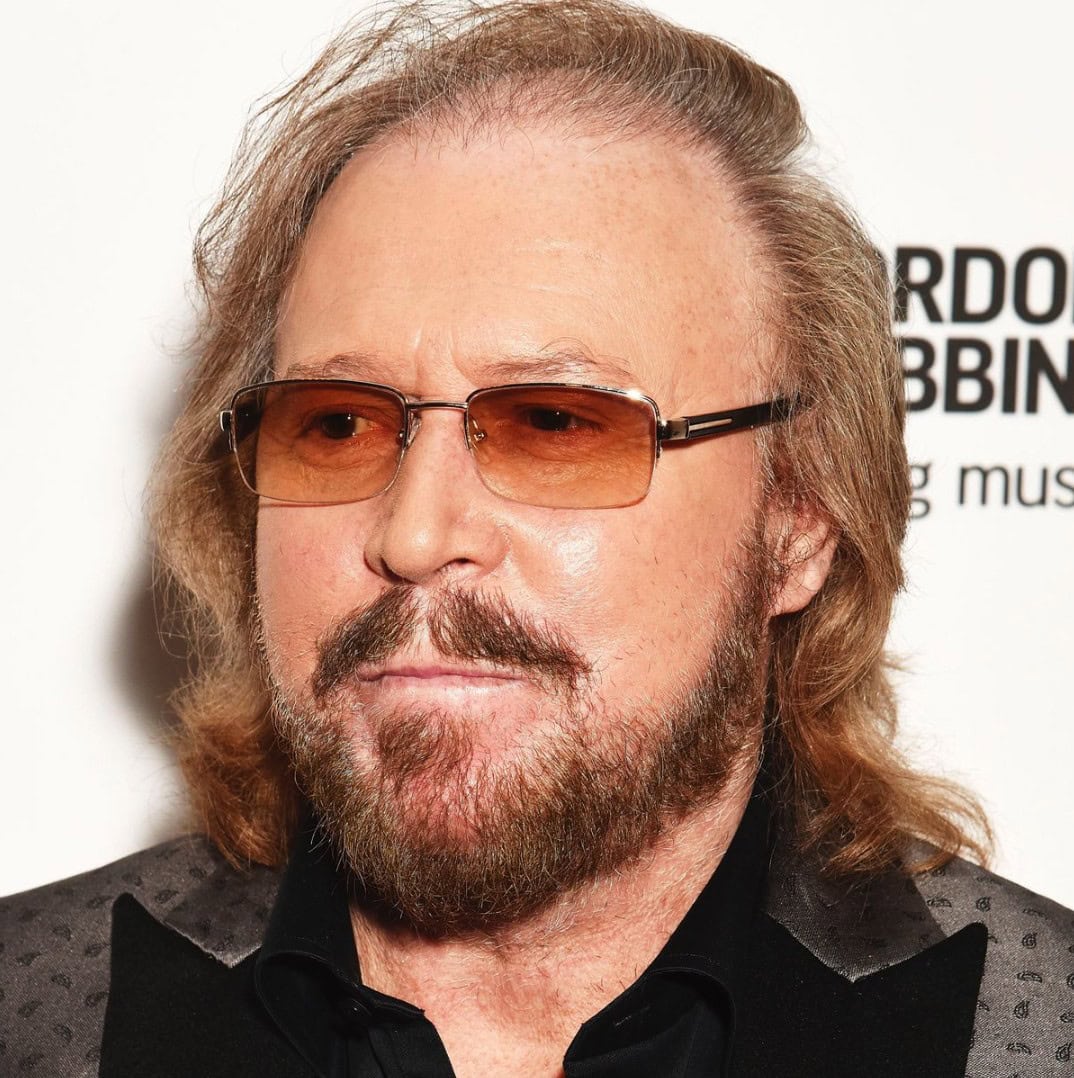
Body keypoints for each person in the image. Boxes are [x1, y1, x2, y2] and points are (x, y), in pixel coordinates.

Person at [2, 1, 1071, 1075]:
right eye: (336, 426)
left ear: (799, 518)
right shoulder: (30, 1009)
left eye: (556, 424)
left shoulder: (1036, 1034)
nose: (416, 534)